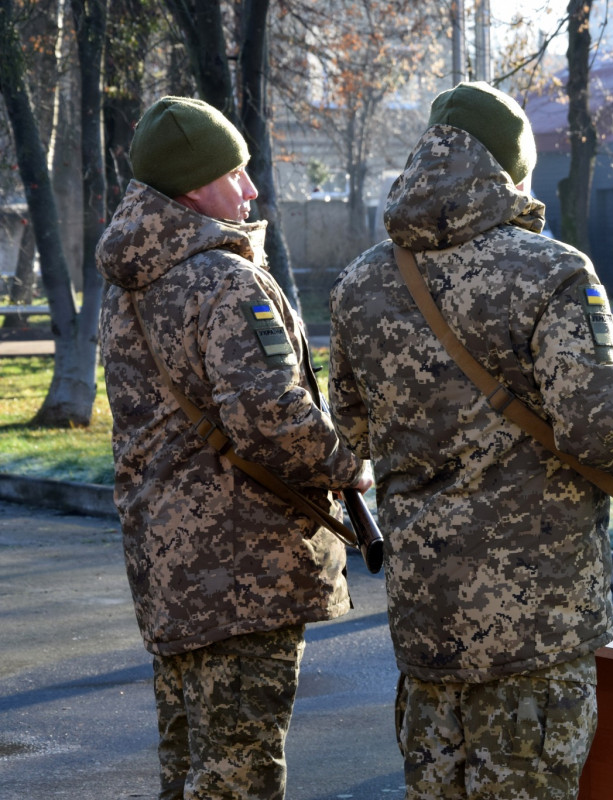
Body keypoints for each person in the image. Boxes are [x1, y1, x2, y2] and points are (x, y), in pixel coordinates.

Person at [327, 81, 613, 800]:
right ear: (512, 173)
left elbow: (350, 431)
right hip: (535, 614)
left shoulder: (360, 281)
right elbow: (602, 425)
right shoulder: (550, 270)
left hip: (426, 614)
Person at [97, 96, 369, 799]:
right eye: (236, 173)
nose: (250, 190)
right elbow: (273, 416)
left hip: (168, 560)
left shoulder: (130, 278)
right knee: (239, 774)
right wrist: (350, 464)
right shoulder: (224, 278)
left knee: (189, 765)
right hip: (243, 567)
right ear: (193, 185)